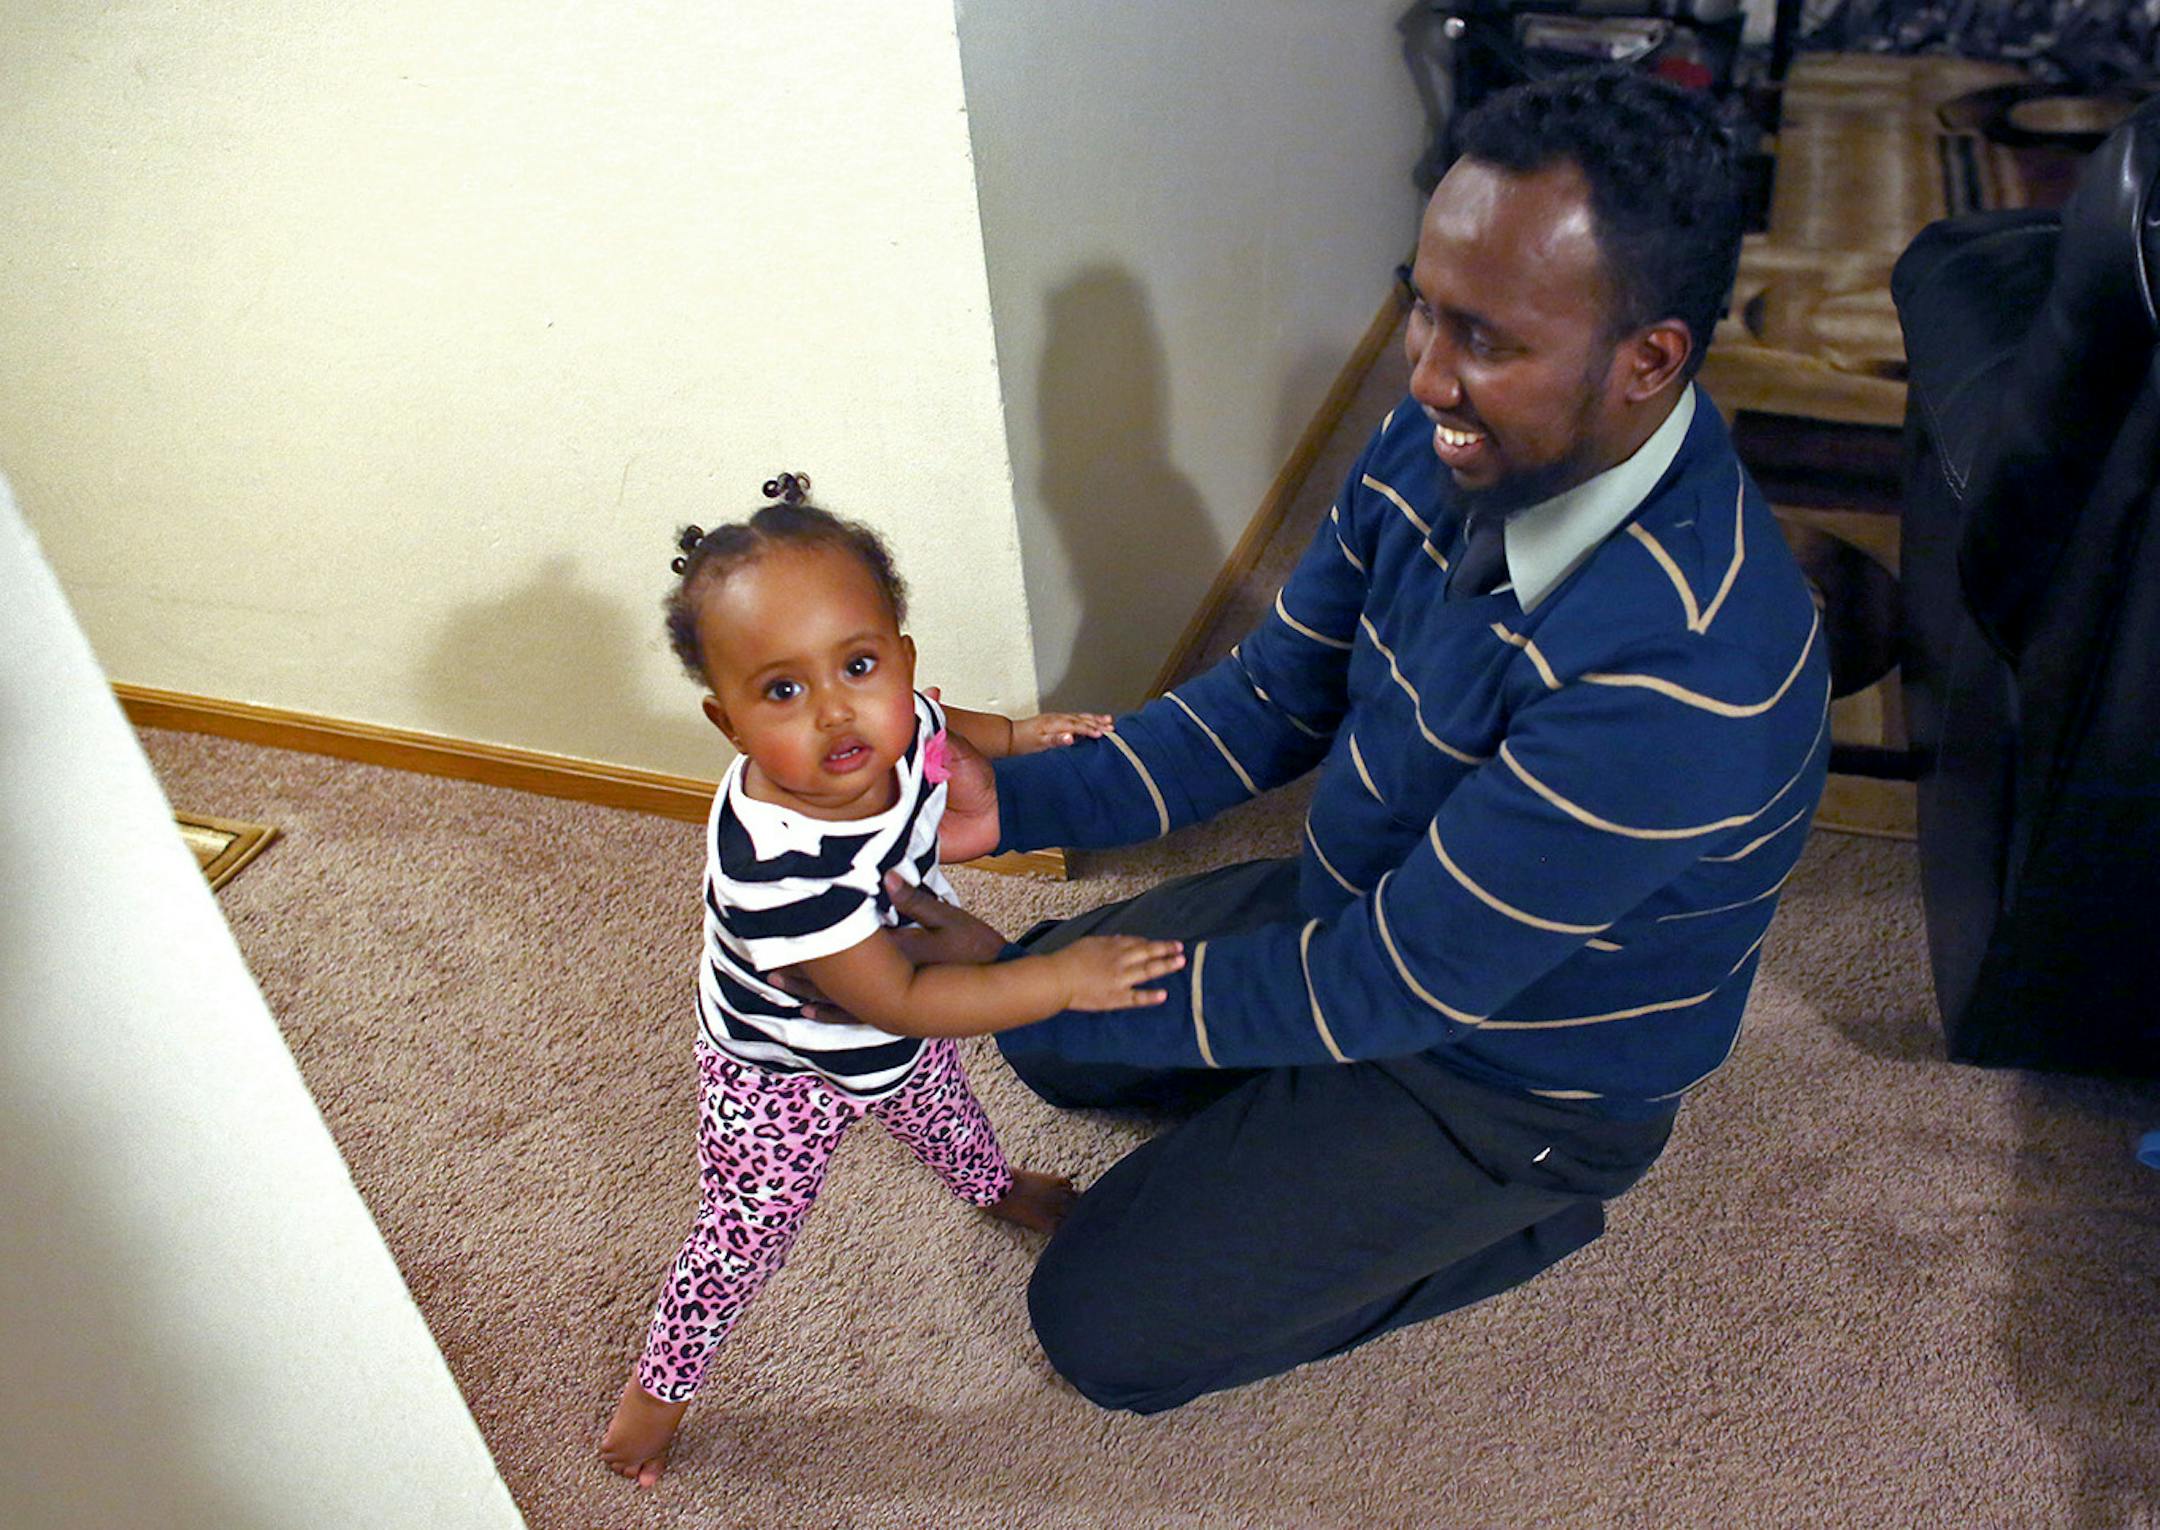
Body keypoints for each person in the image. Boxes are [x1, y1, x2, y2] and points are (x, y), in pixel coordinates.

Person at [880, 68, 1833, 1414]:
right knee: (1047, 1038)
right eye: (1421, 306)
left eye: (1485, 338)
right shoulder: (1436, 445)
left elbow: (1395, 986)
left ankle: (1522, 1207)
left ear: (1650, 359)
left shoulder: (1687, 673)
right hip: (1372, 899)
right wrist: (1019, 801)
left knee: (1102, 1321)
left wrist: (1054, 978)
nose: (1425, 372)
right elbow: (1275, 694)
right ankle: (1264, 1092)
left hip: (1512, 1068)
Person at [599, 474, 1185, 1486]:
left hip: (889, 1015)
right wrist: (1058, 978)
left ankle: (994, 1187)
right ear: (726, 720)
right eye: (781, 691)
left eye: (858, 665)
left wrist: (1023, 735)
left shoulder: (896, 716)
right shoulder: (780, 869)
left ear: (900, 661)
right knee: (748, 1232)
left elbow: (947, 728)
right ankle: (654, 1397)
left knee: (936, 1101)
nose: (835, 711)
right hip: (780, 1062)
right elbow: (903, 1000)